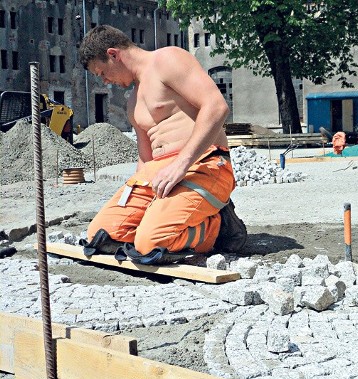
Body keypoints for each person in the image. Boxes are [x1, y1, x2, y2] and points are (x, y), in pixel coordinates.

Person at [78, 25, 247, 264]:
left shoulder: (167, 60)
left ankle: (219, 228)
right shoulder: (133, 102)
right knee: (103, 235)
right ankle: (166, 223)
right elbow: (146, 161)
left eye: (102, 72)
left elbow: (217, 107)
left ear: (113, 54)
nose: (105, 81)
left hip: (203, 165)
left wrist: (180, 165)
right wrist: (139, 202)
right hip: (161, 173)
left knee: (149, 244)